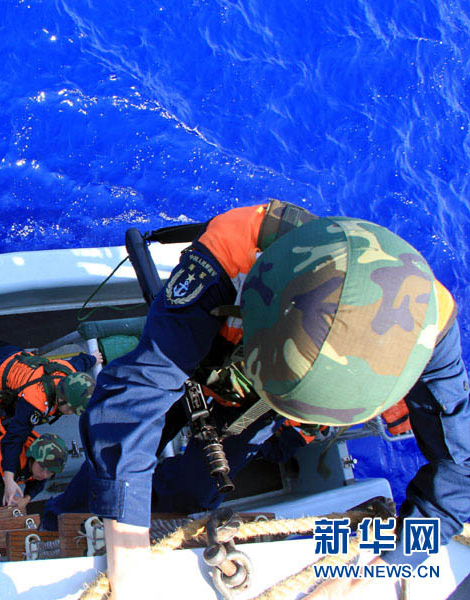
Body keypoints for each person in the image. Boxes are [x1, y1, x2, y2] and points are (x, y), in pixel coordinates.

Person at [77, 201, 469, 598]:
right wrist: (126, 549)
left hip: (256, 408)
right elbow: (139, 391)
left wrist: (383, 567)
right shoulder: (230, 251)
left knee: (196, 490)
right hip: (193, 363)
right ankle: (71, 509)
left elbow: (460, 476)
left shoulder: (427, 322)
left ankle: (169, 494)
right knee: (108, 468)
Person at [0, 339, 98, 507]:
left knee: (0, 347)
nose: (71, 414)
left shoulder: (68, 372)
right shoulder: (34, 403)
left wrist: (93, 358)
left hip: (16, 354)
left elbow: (79, 362)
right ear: (61, 398)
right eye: (70, 410)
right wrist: (10, 478)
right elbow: (14, 437)